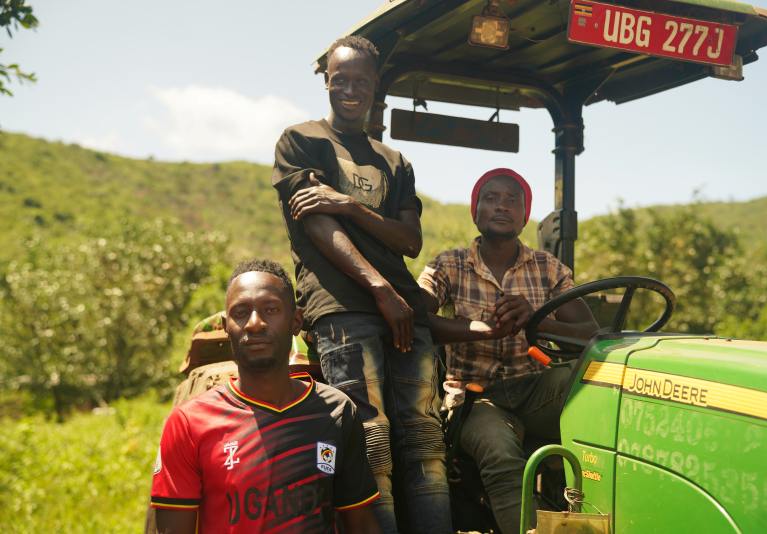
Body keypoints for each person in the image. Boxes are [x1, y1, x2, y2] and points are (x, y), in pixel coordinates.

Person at [271, 35, 451, 533]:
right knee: (371, 439)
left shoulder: (396, 163)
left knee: (424, 438)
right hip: (344, 305)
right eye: (340, 80)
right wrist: (379, 288)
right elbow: (315, 223)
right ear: (326, 82)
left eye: (361, 81)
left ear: (376, 86)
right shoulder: (300, 141)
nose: (350, 89)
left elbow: (410, 240)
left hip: (403, 308)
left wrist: (348, 205)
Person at [417, 168, 598, 534]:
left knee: (596, 382)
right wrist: (478, 329)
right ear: (476, 210)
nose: (502, 206)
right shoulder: (448, 264)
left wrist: (536, 322)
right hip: (473, 397)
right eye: (491, 198)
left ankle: (595, 508)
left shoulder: (548, 268)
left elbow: (590, 333)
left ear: (525, 214)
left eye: (512, 200)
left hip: (533, 387)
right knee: (499, 451)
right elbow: (416, 315)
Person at [150, 259, 381, 534]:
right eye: (240, 312)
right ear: (226, 327)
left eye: (270, 309)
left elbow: (361, 524)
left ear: (296, 320)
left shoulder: (337, 411)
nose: (255, 324)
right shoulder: (188, 423)